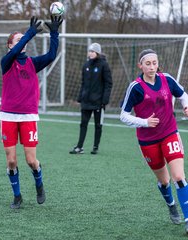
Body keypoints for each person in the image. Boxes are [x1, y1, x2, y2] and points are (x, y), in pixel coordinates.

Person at [120, 49, 188, 234]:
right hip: (148, 141)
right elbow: (123, 116)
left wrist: (185, 105)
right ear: (140, 66)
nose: (151, 67)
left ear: (158, 64)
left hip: (169, 133)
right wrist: (144, 122)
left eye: (154, 63)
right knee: (164, 181)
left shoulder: (166, 79)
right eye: (147, 63)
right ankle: (171, 204)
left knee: (179, 177)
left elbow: (182, 94)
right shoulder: (136, 87)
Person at [0, 15, 63, 209]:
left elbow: (52, 56)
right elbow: (17, 49)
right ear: (10, 46)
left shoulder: (32, 63)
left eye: (23, 40)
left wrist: (54, 32)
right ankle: (17, 196)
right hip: (8, 116)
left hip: (28, 116)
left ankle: (39, 184)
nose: (22, 43)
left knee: (31, 161)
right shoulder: (7, 61)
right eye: (17, 40)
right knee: (11, 161)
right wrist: (29, 33)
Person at [69, 43, 113, 154]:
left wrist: (105, 100)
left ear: (98, 53)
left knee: (98, 125)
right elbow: (83, 83)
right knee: (83, 123)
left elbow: (108, 84)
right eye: (89, 51)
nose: (90, 53)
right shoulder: (86, 65)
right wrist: (80, 97)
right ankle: (79, 147)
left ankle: (95, 147)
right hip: (86, 101)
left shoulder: (104, 65)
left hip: (98, 102)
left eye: (93, 51)